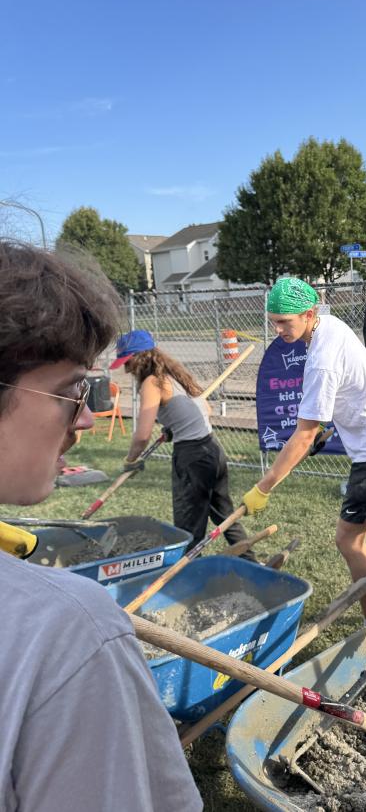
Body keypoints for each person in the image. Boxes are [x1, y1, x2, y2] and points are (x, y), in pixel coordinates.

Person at [0, 240, 202, 811]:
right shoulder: (68, 631)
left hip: (196, 455)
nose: (86, 416)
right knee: (196, 520)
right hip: (199, 452)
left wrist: (137, 458)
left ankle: (205, 555)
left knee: (196, 522)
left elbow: (145, 429)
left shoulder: (72, 630)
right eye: (72, 392)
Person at [241, 277, 366, 624]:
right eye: (273, 322)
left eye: (285, 322)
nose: (278, 329)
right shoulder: (331, 325)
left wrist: (263, 487)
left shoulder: (320, 359)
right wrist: (330, 425)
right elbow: (346, 389)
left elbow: (303, 436)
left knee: (349, 540)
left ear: (309, 314)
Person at [111, 331, 255, 560]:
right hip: (213, 451)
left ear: (137, 359)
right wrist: (173, 427)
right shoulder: (175, 375)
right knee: (225, 516)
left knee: (189, 524)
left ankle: (190, 573)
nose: (126, 369)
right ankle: (251, 562)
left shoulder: (151, 382)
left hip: (192, 457)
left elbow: (142, 435)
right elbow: (205, 410)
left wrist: (131, 460)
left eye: (127, 362)